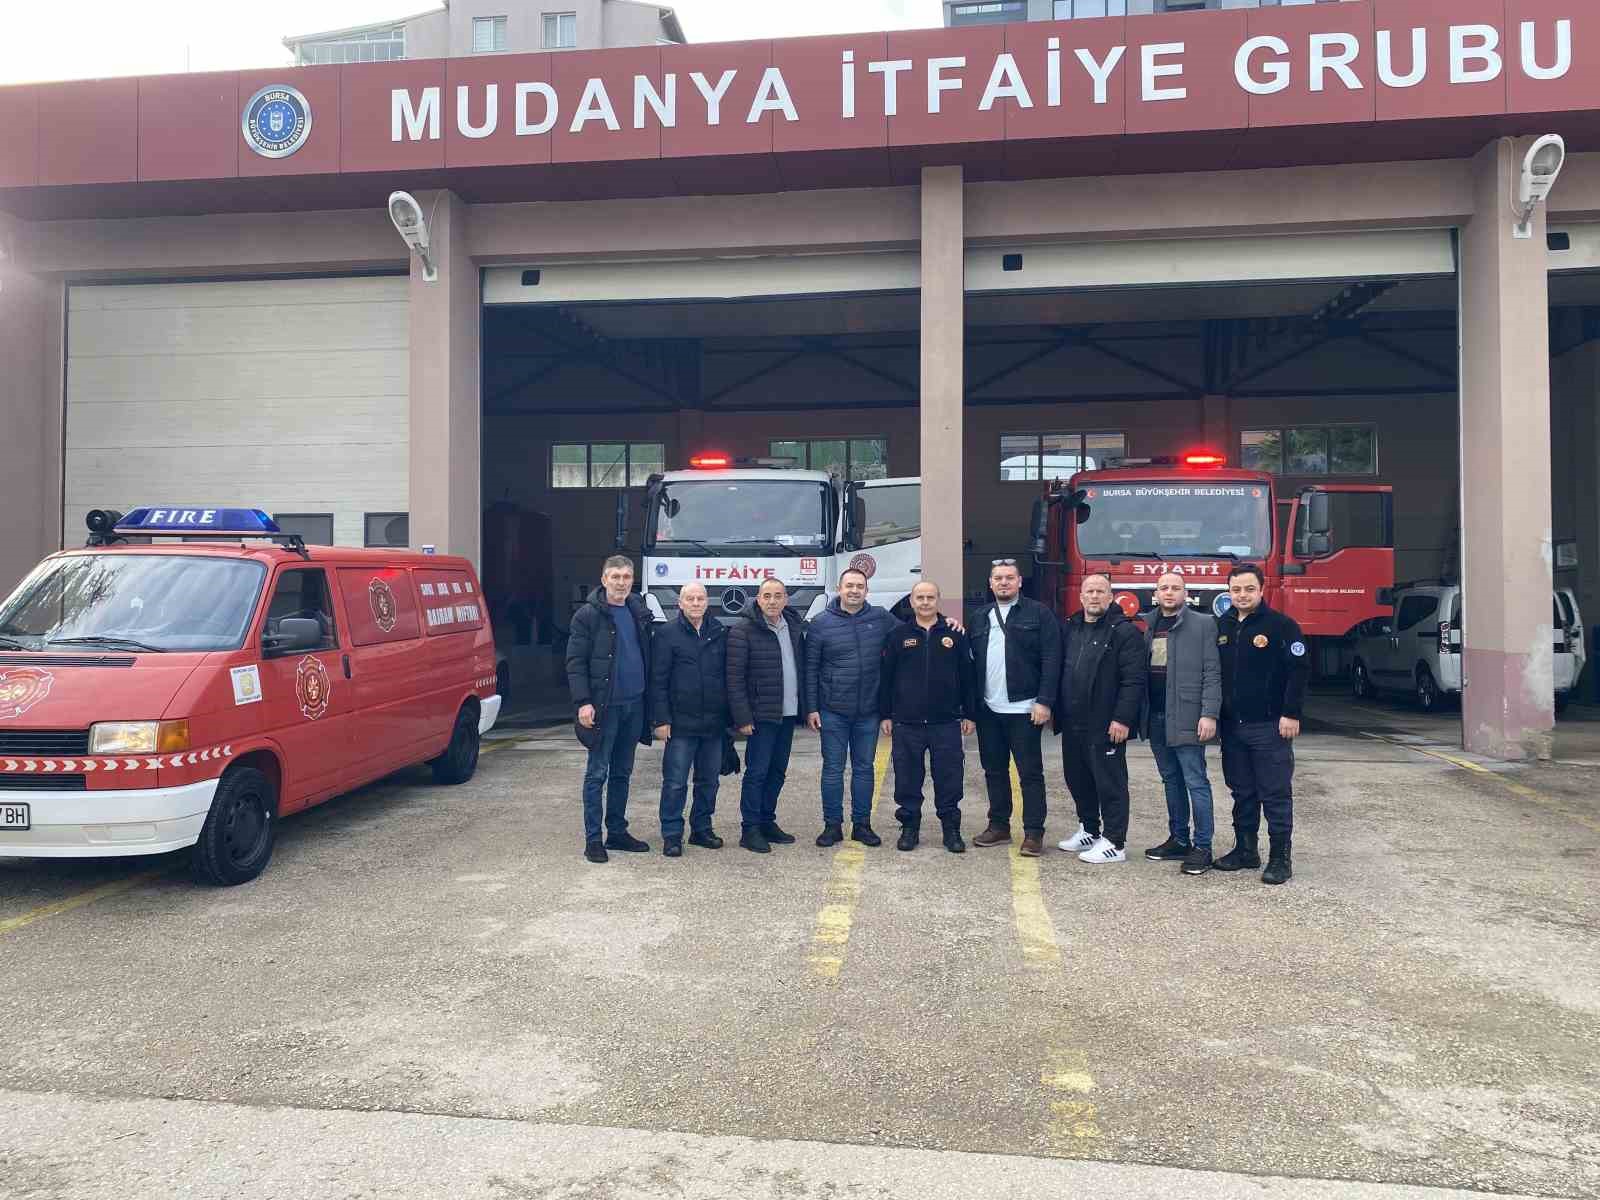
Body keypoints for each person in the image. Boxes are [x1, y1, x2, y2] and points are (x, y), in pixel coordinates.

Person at [1213, 564, 1310, 885]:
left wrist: (1291, 713)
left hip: (1269, 726)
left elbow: (1298, 671)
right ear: (1229, 592)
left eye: (1249, 589)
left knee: (1275, 792)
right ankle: (1246, 850)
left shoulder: (1282, 626)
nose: (1242, 595)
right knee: (1242, 791)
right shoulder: (1222, 626)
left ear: (1261, 590)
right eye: (1236, 590)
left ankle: (1280, 858)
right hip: (1232, 727)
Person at [968, 559, 1062, 857]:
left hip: (1025, 709)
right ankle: (999, 826)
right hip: (989, 710)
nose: (1004, 582)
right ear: (990, 583)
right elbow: (970, 661)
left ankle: (1033, 833)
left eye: (1009, 577)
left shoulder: (1039, 613)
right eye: (998, 578)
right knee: (993, 771)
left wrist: (1044, 700)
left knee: (1030, 774)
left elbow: (1052, 658)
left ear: (1020, 581)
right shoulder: (979, 616)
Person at [566, 555, 654, 864]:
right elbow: (575, 662)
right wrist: (583, 702)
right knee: (597, 773)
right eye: (615, 576)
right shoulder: (587, 616)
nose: (621, 582)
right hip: (604, 709)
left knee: (622, 772)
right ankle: (593, 839)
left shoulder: (638, 611)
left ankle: (617, 831)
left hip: (635, 705)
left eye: (626, 577)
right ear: (604, 580)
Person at [1053, 574, 1145, 865]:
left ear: (1110, 597)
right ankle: (1090, 830)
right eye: (1089, 591)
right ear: (1081, 597)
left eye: (1100, 591)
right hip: (1073, 721)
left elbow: (1134, 680)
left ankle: (1115, 842)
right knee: (1078, 779)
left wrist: (1122, 718)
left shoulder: (1125, 632)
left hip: (1106, 723)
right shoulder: (1071, 627)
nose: (1094, 596)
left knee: (1110, 783)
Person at [878, 581, 977, 853]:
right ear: (911, 601)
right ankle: (910, 827)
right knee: (907, 779)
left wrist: (969, 714)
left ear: (938, 600)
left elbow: (968, 677)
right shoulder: (897, 635)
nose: (924, 602)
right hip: (906, 722)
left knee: (949, 778)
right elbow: (886, 678)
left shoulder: (955, 633)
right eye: (920, 597)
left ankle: (951, 829)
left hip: (946, 722)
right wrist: (885, 714)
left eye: (930, 597)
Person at [1134, 573, 1221, 876]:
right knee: (1171, 780)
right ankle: (1179, 839)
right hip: (1156, 717)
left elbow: (1212, 672)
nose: (1169, 592)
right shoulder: (1149, 624)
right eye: (1164, 588)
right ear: (1155, 594)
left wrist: (1209, 713)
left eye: (1175, 588)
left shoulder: (1203, 624)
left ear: (1186, 594)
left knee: (1196, 781)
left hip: (1188, 716)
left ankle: (1202, 846)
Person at [804, 567, 897, 848]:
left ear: (867, 591)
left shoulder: (881, 618)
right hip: (832, 710)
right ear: (839, 589)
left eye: (860, 586)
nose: (854, 590)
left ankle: (862, 825)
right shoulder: (820, 623)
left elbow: (911, 630)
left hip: (868, 710)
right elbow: (810, 668)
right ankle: (832, 826)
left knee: (864, 769)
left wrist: (945, 622)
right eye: (849, 586)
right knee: (833, 769)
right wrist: (812, 708)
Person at [649, 582, 729, 858]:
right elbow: (658, 681)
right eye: (690, 599)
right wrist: (661, 720)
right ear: (680, 603)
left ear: (707, 602)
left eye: (700, 598)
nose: (696, 603)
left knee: (709, 782)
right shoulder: (666, 634)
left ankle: (701, 829)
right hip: (680, 725)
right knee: (675, 782)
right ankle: (672, 834)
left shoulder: (719, 632)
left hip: (713, 724)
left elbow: (727, 676)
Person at [727, 578, 806, 854]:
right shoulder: (743, 630)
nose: (772, 601)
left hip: (788, 713)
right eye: (767, 596)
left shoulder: (793, 626)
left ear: (786, 599)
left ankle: (766, 821)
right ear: (758, 599)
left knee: (777, 771)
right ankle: (750, 829)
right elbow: (734, 679)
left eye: (778, 596)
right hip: (760, 715)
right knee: (757, 772)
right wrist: (743, 718)